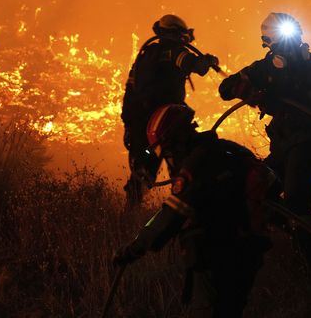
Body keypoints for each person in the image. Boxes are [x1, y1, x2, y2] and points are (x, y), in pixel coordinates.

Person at [113, 104, 273, 317]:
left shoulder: (196, 164)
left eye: (167, 151)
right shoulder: (225, 149)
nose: (168, 160)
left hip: (218, 254)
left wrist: (135, 248)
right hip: (247, 250)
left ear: (178, 141)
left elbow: (172, 214)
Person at [218, 13, 311, 222]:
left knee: (296, 205)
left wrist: (270, 99)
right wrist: (242, 87)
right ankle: (283, 241)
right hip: (283, 143)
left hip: (307, 142)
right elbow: (225, 89)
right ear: (269, 43)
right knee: (259, 190)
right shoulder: (263, 68)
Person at [121, 15, 219, 207]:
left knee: (142, 171)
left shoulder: (145, 56)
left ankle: (128, 216)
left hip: (142, 123)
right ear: (175, 33)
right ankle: (183, 214)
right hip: (168, 123)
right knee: (184, 168)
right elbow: (194, 65)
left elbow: (130, 92)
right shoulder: (173, 52)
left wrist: (128, 124)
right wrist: (207, 61)